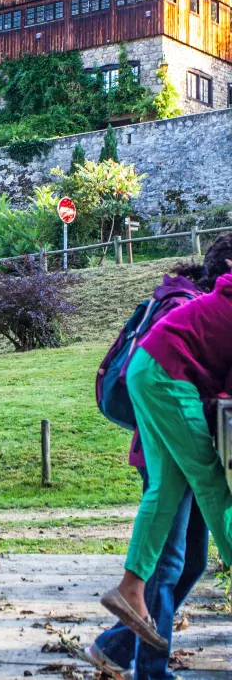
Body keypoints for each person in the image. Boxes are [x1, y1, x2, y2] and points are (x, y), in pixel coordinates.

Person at [100, 235, 232, 652]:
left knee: (168, 487)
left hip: (149, 368)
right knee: (210, 480)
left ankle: (130, 587)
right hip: (165, 374)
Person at [86, 266, 210, 680]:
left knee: (191, 561)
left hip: (183, 449)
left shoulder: (177, 301)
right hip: (168, 450)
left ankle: (117, 646)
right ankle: (151, 671)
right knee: (168, 563)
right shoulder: (181, 307)